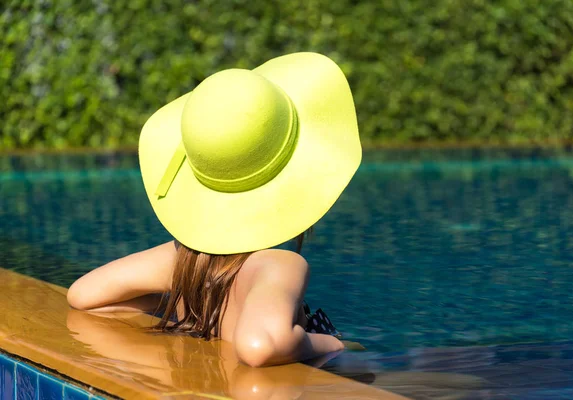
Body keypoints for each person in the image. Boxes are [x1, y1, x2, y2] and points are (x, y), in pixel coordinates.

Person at [67, 52, 362, 367]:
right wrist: (333, 342)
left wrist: (173, 304)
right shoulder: (279, 265)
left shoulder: (183, 263)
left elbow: (83, 295)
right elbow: (260, 344)